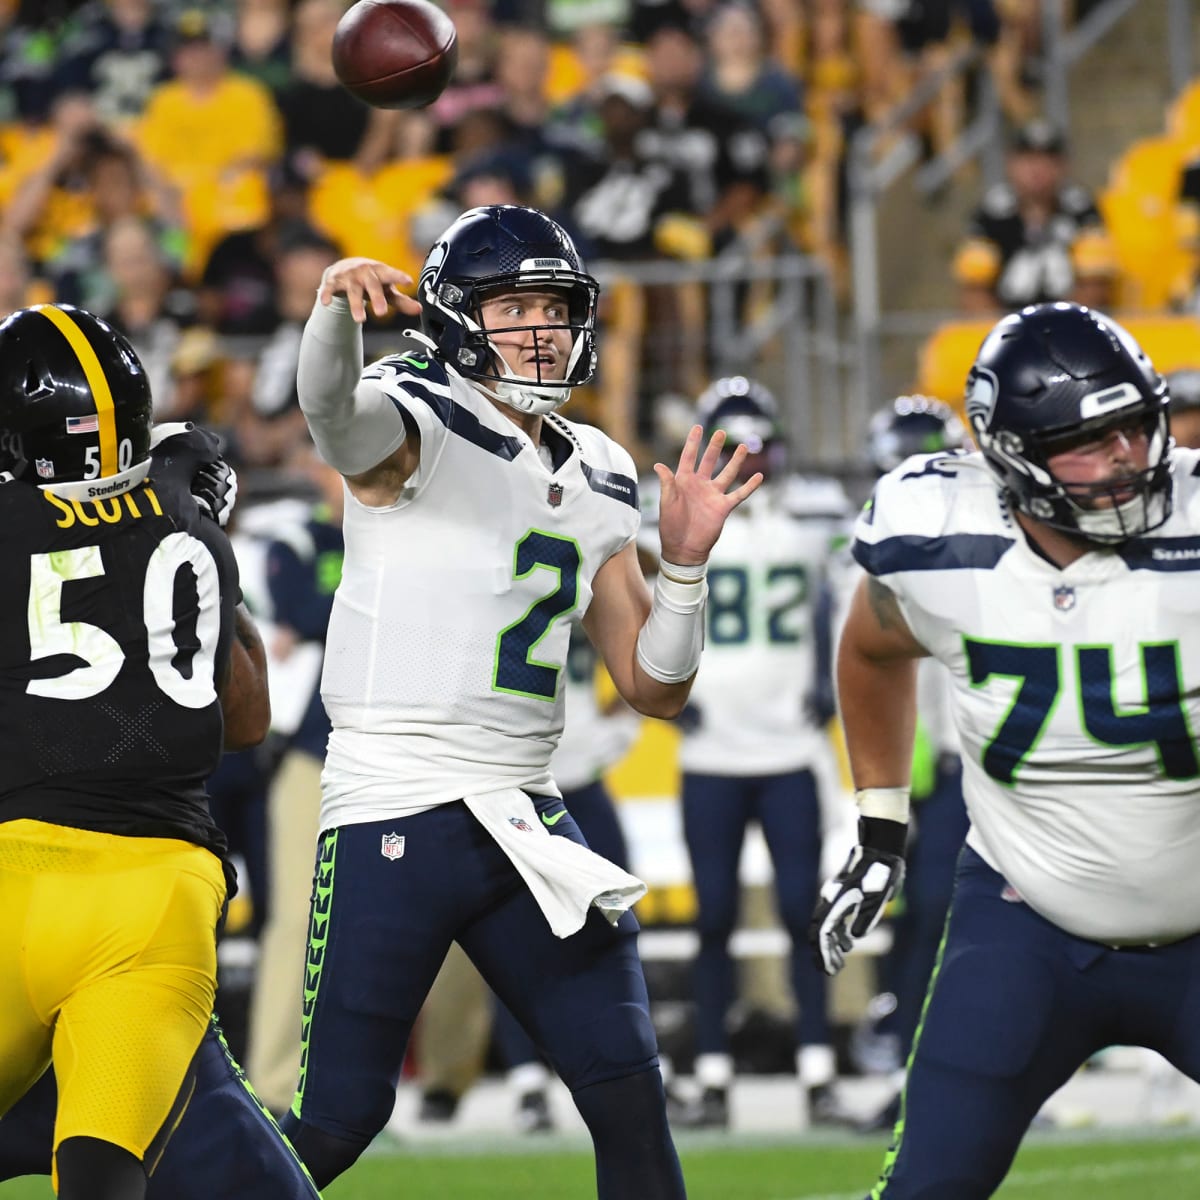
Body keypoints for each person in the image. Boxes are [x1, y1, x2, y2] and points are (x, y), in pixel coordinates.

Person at [277, 203, 762, 1197]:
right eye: (512, 307)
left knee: (626, 1086)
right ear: (458, 320)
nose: (540, 328)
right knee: (337, 1118)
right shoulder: (414, 406)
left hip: (523, 808)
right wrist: (332, 313)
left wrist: (684, 570)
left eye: (553, 305)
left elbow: (653, 686)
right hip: (395, 800)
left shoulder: (598, 466)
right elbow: (333, 418)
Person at [811, 301, 1200, 1198]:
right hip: (1025, 925)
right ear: (1013, 458)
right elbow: (870, 648)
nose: (1127, 461)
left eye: (1136, 429)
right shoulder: (935, 533)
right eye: (1088, 443)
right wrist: (880, 823)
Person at [0, 304, 270, 1200]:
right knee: (103, 1178)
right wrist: (205, 540)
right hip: (160, 896)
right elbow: (248, 718)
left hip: (15, 880)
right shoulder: (189, 515)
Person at [643, 376, 853, 1130]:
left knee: (803, 913)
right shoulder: (662, 512)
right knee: (713, 922)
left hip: (791, 749)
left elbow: (853, 595)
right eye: (736, 445)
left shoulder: (813, 512)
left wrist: (828, 683)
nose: (751, 459)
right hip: (712, 756)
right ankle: (713, 1077)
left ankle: (819, 1072)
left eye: (760, 445)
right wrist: (662, 696)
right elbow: (633, 599)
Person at [854, 395, 970, 1133]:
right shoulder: (862, 547)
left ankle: (947, 1065)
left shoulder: (979, 543)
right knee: (902, 913)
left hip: (961, 762)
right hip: (899, 767)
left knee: (949, 913)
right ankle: (901, 1060)